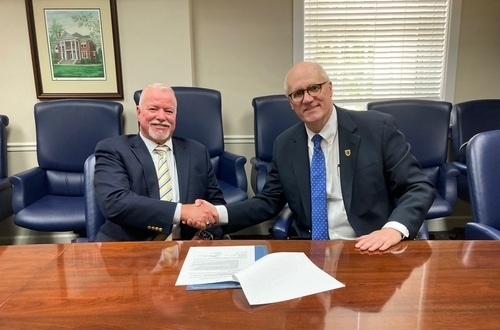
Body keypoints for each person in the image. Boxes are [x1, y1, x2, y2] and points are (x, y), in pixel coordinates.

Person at [193, 61, 435, 251]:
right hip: (309, 250)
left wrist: (393, 229)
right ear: (291, 103)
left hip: (368, 244)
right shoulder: (285, 144)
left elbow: (417, 187)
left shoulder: (376, 129)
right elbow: (268, 202)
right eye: (297, 94)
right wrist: (216, 214)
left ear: (329, 88)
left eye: (314, 88)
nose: (307, 99)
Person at [93, 83, 223, 241]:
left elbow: (215, 203)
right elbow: (115, 203)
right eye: (153, 109)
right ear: (139, 113)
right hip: (131, 247)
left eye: (169, 111)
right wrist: (181, 211)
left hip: (187, 245)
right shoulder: (113, 149)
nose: (161, 117)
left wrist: (205, 236)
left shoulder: (197, 151)